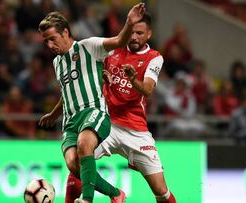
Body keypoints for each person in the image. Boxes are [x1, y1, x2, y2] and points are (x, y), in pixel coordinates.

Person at [62, 13, 177, 203]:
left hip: (135, 130)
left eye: (140, 33)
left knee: (161, 192)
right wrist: (102, 76)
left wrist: (133, 80)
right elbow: (92, 74)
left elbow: (147, 89)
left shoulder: (154, 58)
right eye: (131, 32)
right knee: (76, 165)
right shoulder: (113, 50)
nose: (134, 37)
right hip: (106, 122)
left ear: (149, 34)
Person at [38, 3, 146, 203]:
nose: (49, 45)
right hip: (70, 121)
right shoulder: (57, 63)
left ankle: (87, 200)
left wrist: (130, 23)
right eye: (46, 41)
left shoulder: (89, 46)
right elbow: (68, 91)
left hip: (94, 112)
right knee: (73, 164)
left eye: (52, 39)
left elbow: (119, 40)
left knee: (84, 144)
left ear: (65, 32)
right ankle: (116, 194)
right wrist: (53, 114)